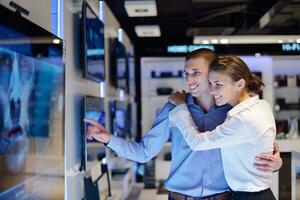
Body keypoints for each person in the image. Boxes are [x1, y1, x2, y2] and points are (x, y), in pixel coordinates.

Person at [84, 48, 282, 200]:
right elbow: (144, 152)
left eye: (195, 72)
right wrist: (107, 138)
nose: (188, 79)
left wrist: (276, 163)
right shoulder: (173, 108)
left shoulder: (233, 112)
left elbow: (256, 150)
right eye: (186, 73)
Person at [168, 55, 277, 199]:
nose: (212, 91)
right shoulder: (260, 106)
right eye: (211, 83)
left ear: (240, 84)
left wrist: (181, 108)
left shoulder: (244, 119)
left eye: (218, 84)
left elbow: (197, 142)